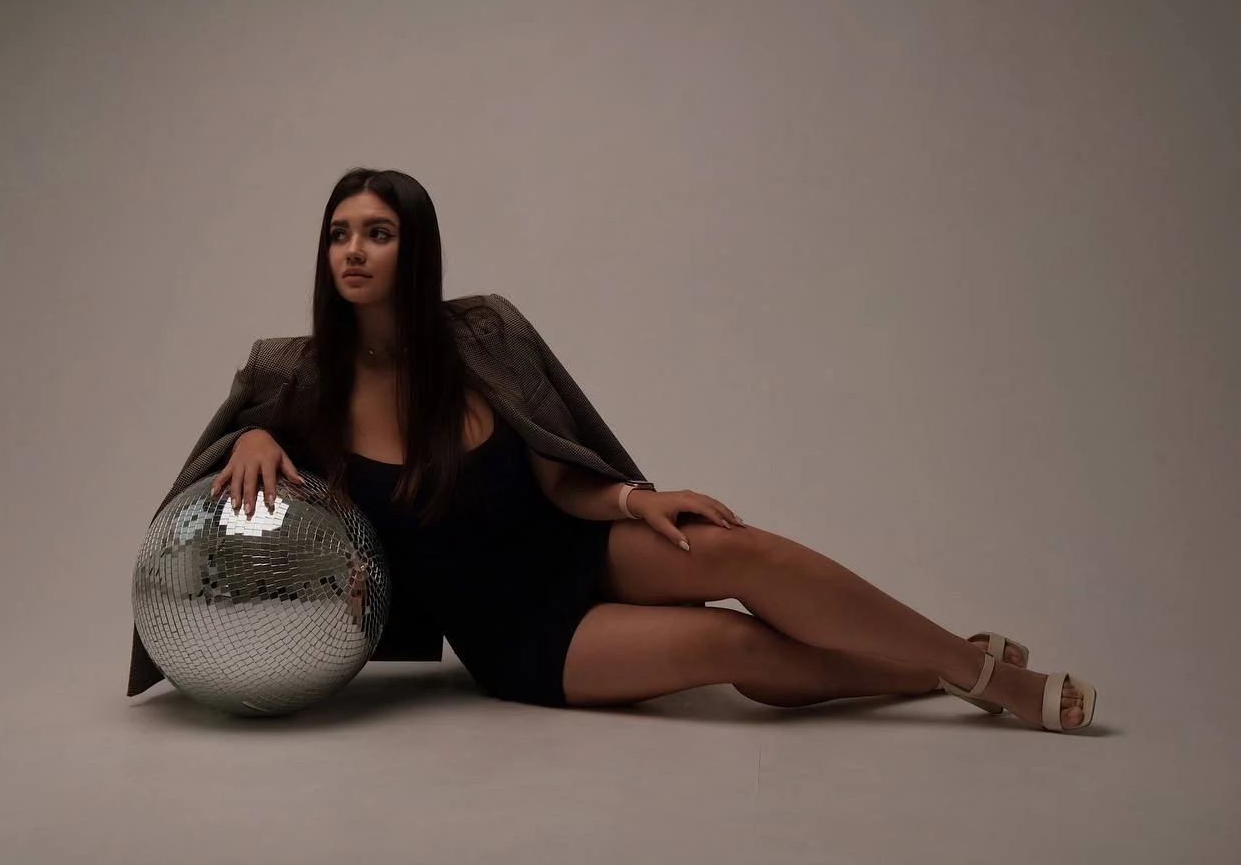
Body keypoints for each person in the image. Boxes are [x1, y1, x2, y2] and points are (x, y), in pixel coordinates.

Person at [159, 167, 1098, 731]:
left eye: (378, 232)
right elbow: (211, 481)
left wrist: (632, 500)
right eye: (338, 235)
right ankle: (945, 669)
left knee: (739, 550)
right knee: (732, 644)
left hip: (577, 546)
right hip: (519, 635)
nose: (353, 251)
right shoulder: (292, 378)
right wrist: (253, 433)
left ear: (418, 248)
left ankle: (980, 673)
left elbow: (556, 470)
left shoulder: (485, 331)